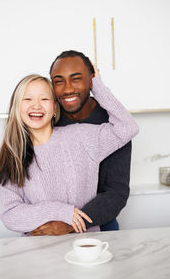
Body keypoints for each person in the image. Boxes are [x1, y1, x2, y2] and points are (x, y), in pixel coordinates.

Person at [0, 68, 138, 236]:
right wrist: (60, 211)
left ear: (55, 108)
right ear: (17, 107)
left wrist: (97, 86)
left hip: (84, 246)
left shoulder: (81, 137)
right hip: (38, 250)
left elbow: (128, 127)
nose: (36, 105)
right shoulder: (12, 154)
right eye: (28, 99)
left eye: (44, 99)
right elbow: (10, 214)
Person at [30, 51, 133, 236]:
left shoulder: (113, 123)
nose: (68, 89)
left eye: (76, 79)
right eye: (58, 81)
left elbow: (116, 192)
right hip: (50, 226)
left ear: (92, 80)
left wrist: (72, 224)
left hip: (100, 225)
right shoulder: (46, 119)